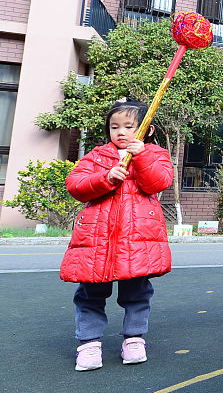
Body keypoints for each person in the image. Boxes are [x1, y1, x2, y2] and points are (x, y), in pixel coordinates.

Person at [60, 98, 173, 372]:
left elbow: (159, 182)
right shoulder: (97, 156)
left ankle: (134, 340)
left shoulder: (155, 154)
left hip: (137, 240)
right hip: (96, 241)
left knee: (137, 293)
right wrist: (105, 179)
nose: (121, 133)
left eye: (129, 127)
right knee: (90, 293)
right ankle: (89, 344)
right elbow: (75, 185)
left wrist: (142, 155)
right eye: (114, 127)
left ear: (147, 130)